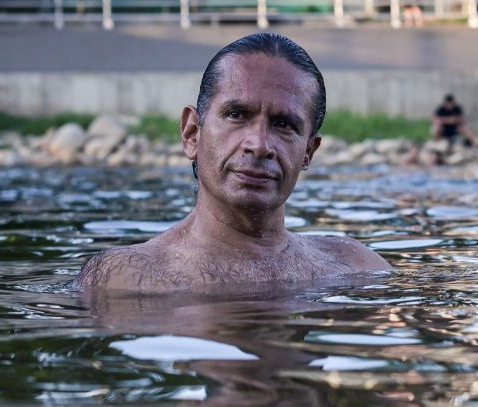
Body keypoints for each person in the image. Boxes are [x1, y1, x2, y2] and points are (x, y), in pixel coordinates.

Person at [73, 33, 390, 294]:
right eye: (237, 115)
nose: (260, 145)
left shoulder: (357, 268)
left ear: (308, 152)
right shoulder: (126, 278)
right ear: (192, 133)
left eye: (283, 125)